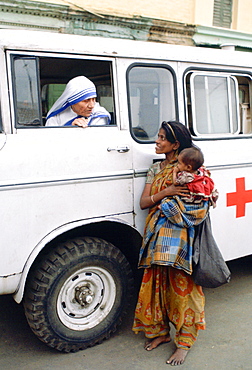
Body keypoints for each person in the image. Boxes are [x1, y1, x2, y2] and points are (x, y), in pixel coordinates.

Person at [132, 121, 213, 366]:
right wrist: (167, 192)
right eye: (157, 137)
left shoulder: (194, 170)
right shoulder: (156, 169)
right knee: (154, 285)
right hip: (156, 236)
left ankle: (185, 342)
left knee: (183, 288)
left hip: (181, 238)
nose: (156, 141)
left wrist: (176, 203)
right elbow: (145, 203)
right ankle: (160, 333)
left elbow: (202, 201)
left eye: (161, 138)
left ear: (175, 144)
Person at [46, 75, 111, 127]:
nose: (92, 105)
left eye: (93, 99)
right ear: (73, 101)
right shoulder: (56, 117)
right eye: (86, 101)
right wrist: (70, 128)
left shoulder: (99, 114)